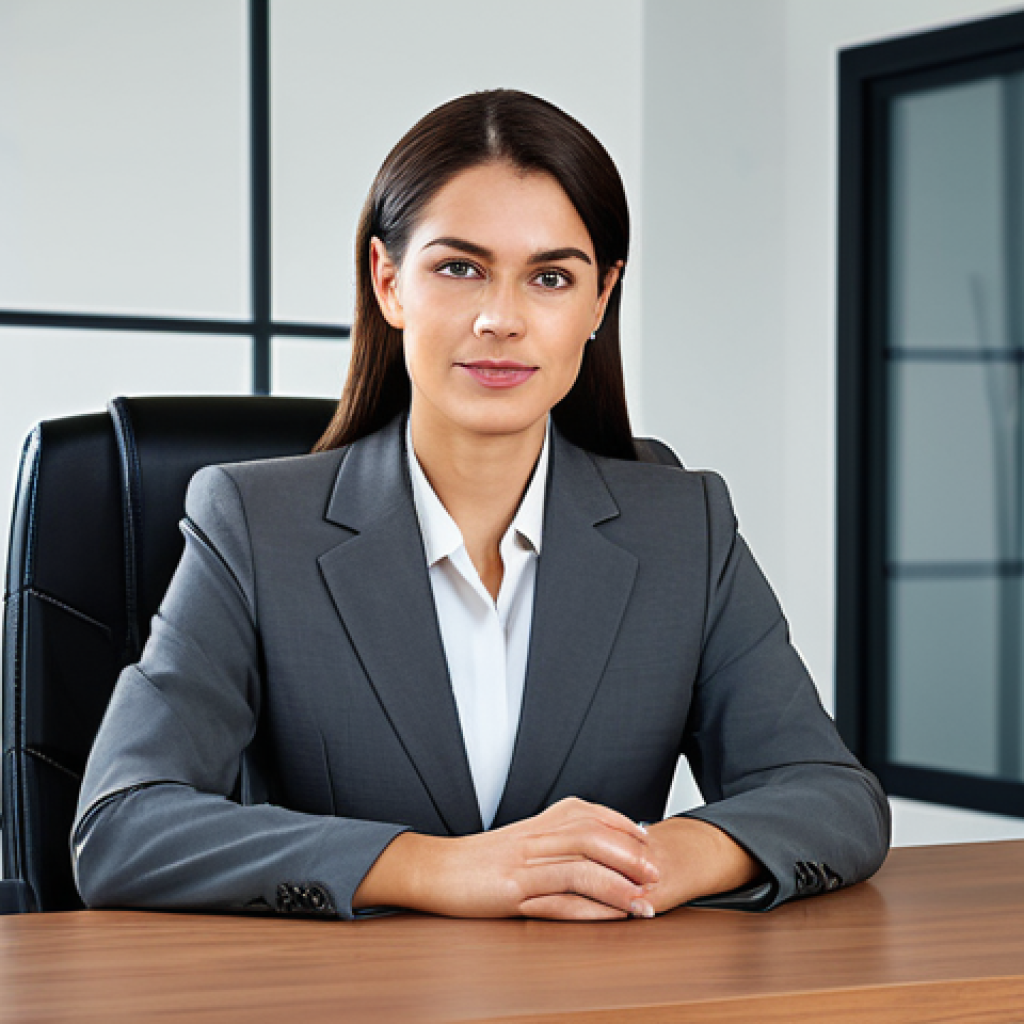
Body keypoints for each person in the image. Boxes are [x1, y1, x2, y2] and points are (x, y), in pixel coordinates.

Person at [72, 89, 889, 921]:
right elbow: (122, 827)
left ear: (600, 301)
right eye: (459, 268)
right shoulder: (253, 525)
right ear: (389, 283)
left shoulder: (686, 529)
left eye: (551, 277)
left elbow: (832, 796)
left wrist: (669, 854)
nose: (502, 318)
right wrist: (438, 869)